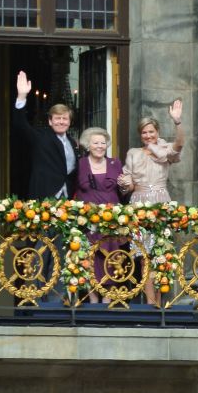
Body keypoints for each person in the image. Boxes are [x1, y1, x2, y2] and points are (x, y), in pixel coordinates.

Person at [118, 99, 185, 306]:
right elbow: (127, 186)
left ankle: (157, 303)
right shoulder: (133, 153)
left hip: (160, 203)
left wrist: (178, 122)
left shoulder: (164, 149)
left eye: (151, 132)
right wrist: (124, 183)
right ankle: (150, 305)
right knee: (143, 256)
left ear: (157, 132)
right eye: (144, 133)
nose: (148, 136)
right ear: (140, 135)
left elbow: (179, 145)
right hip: (138, 203)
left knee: (160, 254)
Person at [73, 128, 124, 303]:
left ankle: (107, 300)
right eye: (96, 142)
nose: (100, 146)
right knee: (89, 257)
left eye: (103, 143)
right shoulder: (80, 164)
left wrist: (128, 184)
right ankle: (93, 300)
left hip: (111, 219)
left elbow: (123, 190)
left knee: (111, 257)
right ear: (88, 145)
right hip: (88, 220)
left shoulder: (115, 163)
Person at [11, 71, 78, 200]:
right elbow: (20, 125)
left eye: (65, 119)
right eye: (57, 118)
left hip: (68, 197)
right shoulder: (40, 136)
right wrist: (21, 96)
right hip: (44, 195)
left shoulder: (72, 141)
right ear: (50, 121)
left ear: (70, 122)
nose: (61, 121)